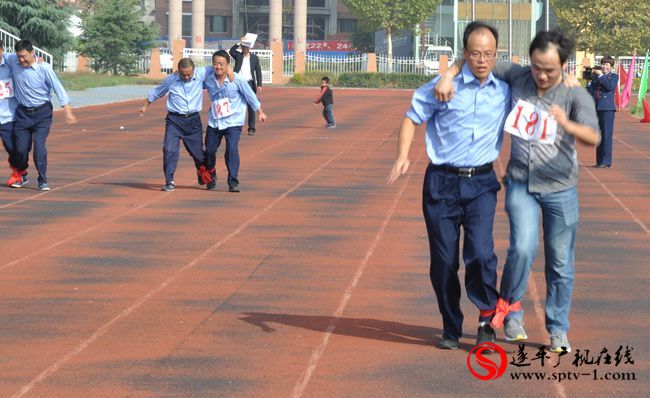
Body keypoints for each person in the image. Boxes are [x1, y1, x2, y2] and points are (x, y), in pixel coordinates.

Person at [436, 29, 601, 353]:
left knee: (560, 262)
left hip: (561, 187)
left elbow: (593, 137)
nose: (541, 75)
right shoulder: (518, 76)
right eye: (537, 66)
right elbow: (476, 58)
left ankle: (557, 328)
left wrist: (566, 124)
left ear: (564, 65)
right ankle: (510, 309)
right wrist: (448, 74)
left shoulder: (575, 95)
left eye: (549, 70)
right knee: (522, 248)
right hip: (521, 183)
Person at [387, 22, 511, 350]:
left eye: (488, 54)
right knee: (443, 261)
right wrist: (402, 157)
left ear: (497, 55)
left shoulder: (505, 90)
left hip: (482, 182)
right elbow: (411, 118)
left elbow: (544, 78)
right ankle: (450, 326)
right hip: (441, 182)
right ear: (465, 53)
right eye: (475, 53)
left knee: (482, 254)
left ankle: (487, 319)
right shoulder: (444, 86)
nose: (482, 60)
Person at [6, 39, 77, 191]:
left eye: (24, 56)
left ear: (32, 53)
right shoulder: (12, 60)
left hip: (42, 113)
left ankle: (42, 180)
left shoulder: (44, 68)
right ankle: (22, 173)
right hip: (23, 113)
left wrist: (68, 111)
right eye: (18, 56)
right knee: (20, 150)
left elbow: (58, 88)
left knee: (39, 148)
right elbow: (2, 55)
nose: (21, 60)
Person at [139, 58, 215, 192]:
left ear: (194, 70)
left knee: (198, 154)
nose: (186, 77)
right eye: (183, 74)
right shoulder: (171, 79)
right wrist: (145, 106)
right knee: (169, 149)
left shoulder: (202, 73)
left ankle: (206, 173)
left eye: (189, 74)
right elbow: (157, 92)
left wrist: (230, 72)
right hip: (174, 121)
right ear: (178, 71)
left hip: (193, 121)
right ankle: (169, 181)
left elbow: (219, 66)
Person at [203, 50, 267, 192]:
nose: (218, 67)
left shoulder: (237, 79)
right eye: (215, 64)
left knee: (231, 149)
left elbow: (250, 96)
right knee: (209, 151)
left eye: (221, 64)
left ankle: (233, 181)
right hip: (215, 121)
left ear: (228, 65)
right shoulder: (208, 79)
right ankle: (212, 175)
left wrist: (260, 112)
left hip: (233, 122)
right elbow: (193, 81)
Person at [0, 40, 27, 187]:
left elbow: (26, 58)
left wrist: (38, 62)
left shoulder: (11, 60)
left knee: (13, 148)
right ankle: (19, 172)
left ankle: (20, 172)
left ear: (2, 50)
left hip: (9, 115)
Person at [588, 55, 618, 168]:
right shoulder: (596, 78)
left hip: (607, 109)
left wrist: (600, 75)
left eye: (607, 65)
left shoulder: (613, 77)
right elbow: (591, 91)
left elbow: (609, 87)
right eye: (603, 64)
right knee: (599, 135)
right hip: (596, 108)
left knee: (606, 135)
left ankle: (606, 161)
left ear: (611, 67)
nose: (604, 66)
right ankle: (600, 160)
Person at [229, 37, 263, 136]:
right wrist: (240, 42)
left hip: (249, 83)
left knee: (251, 105)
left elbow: (258, 71)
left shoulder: (254, 58)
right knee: (235, 103)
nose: (244, 49)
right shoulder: (238, 56)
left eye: (246, 47)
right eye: (243, 47)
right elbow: (231, 51)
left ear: (249, 48)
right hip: (237, 83)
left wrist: (259, 84)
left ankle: (251, 128)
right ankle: (233, 126)